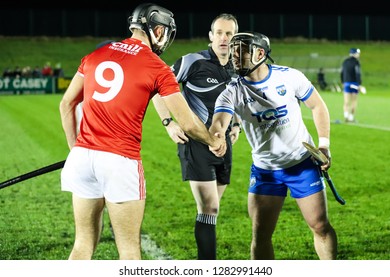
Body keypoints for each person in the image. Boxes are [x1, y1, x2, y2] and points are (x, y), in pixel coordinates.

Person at [59, 3, 224, 260]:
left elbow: (67, 104)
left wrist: (75, 149)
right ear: (157, 30)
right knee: (129, 251)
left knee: (82, 244)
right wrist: (211, 140)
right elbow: (189, 123)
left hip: (82, 158)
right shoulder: (156, 66)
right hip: (120, 161)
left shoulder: (95, 55)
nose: (166, 38)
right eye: (166, 32)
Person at [209, 32, 338, 260]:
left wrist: (324, 146)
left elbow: (318, 106)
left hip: (302, 165)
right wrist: (216, 137)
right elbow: (219, 121)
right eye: (233, 50)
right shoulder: (232, 92)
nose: (235, 56)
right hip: (265, 171)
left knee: (320, 226)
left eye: (242, 50)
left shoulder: (289, 77)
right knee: (261, 235)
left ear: (260, 53)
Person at [152, 13, 240, 260]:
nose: (224, 38)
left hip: (224, 145)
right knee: (209, 207)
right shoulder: (193, 61)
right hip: (196, 143)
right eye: (219, 33)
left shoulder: (236, 68)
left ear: (235, 39)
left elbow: (238, 100)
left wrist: (236, 126)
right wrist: (168, 123)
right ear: (211, 36)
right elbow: (157, 89)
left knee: (212, 212)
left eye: (229, 34)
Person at [340, 48, 365, 123]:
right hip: (354, 84)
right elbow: (357, 73)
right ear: (355, 54)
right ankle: (351, 118)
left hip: (346, 83)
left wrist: (342, 82)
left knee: (346, 102)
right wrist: (359, 84)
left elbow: (342, 73)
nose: (358, 55)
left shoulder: (345, 62)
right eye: (358, 53)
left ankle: (346, 116)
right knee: (354, 101)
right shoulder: (356, 62)